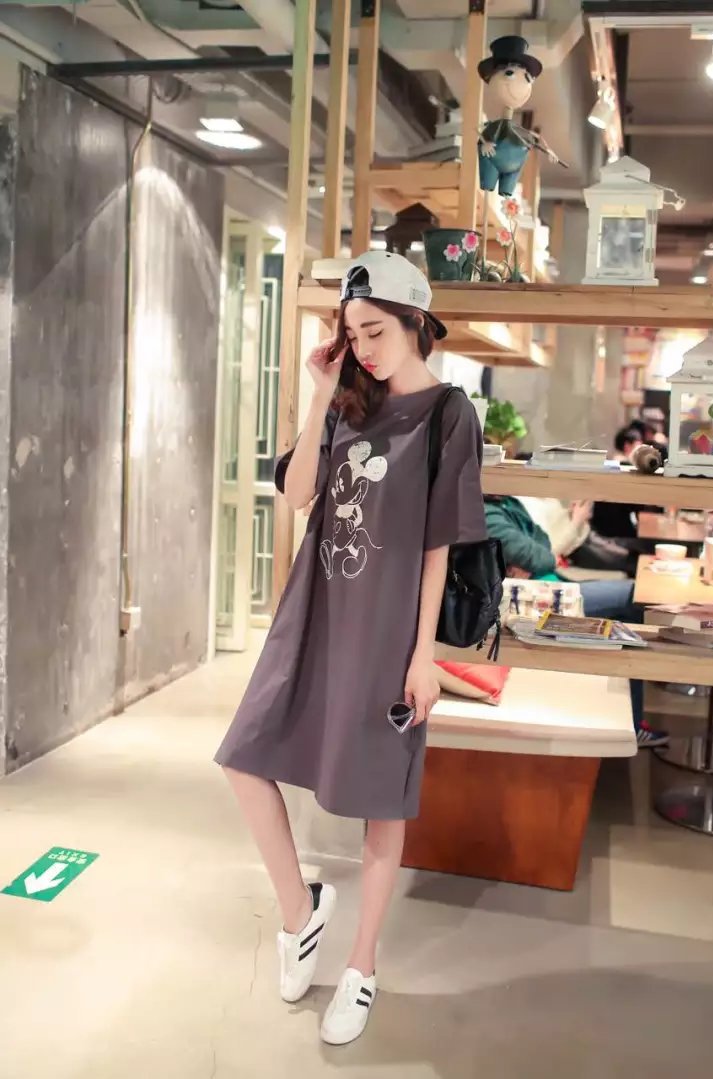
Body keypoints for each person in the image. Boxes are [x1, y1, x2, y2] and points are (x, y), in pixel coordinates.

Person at [215, 251, 486, 1046]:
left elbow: (438, 545)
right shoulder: (345, 403)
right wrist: (319, 391)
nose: (363, 347)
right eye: (352, 333)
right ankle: (300, 912)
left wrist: (423, 654)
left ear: (415, 322)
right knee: (243, 756)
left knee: (380, 798)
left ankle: (362, 964)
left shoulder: (449, 414)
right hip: (316, 612)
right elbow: (299, 492)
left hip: (388, 628)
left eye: (375, 331)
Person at [484, 494, 668, 748]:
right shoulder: (487, 513)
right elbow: (543, 557)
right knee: (633, 596)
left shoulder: (507, 503)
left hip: (552, 586)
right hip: (537, 598)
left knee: (630, 607)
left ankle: (632, 717)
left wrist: (534, 558)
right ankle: (637, 719)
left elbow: (543, 544)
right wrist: (536, 558)